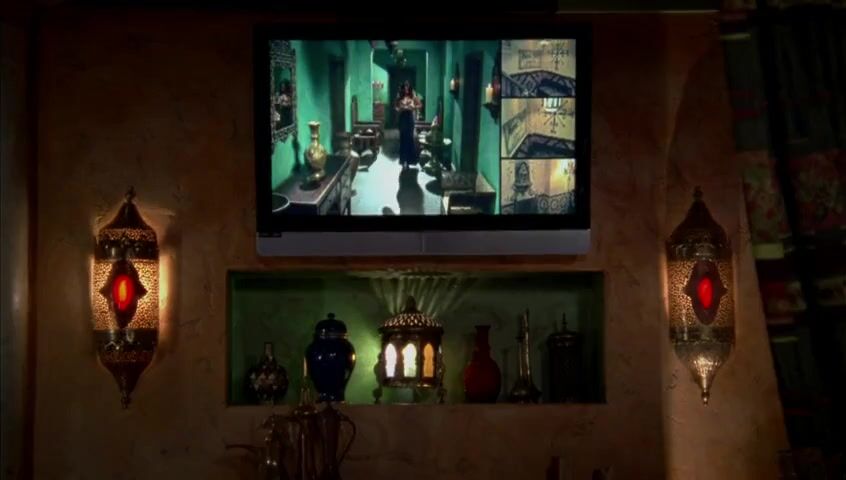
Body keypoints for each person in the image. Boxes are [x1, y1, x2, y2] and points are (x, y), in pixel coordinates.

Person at [394, 81, 422, 169]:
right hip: (402, 118)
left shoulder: (413, 95)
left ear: (410, 88)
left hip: (410, 118)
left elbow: (420, 105)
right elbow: (395, 107)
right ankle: (403, 160)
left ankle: (410, 160)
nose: (406, 89)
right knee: (403, 138)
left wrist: (414, 107)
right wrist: (399, 109)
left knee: (410, 138)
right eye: (405, 87)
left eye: (408, 87)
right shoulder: (399, 96)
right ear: (403, 88)